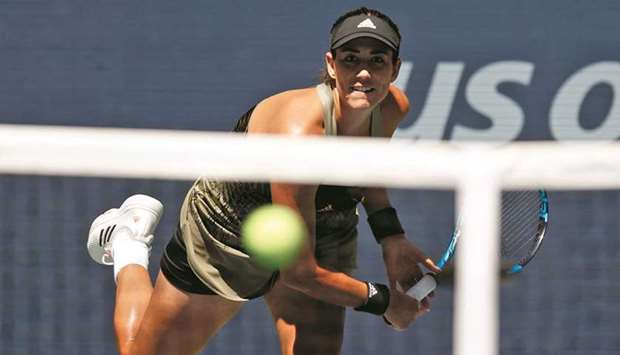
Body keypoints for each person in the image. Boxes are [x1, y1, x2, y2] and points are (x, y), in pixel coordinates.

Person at [87, 7, 441, 355]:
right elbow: (300, 273)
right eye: (351, 59)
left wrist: (392, 239)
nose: (364, 73)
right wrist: (382, 302)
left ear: (395, 68)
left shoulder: (393, 107)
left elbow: (365, 173)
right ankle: (128, 244)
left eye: (377, 60)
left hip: (320, 228)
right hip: (229, 233)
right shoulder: (298, 135)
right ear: (332, 65)